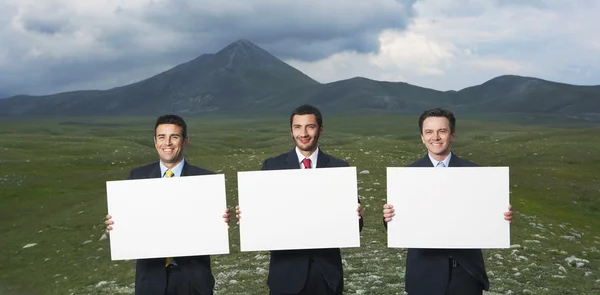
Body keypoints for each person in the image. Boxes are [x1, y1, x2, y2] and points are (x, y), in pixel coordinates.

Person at [382, 108, 513, 295]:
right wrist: (389, 218)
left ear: (452, 135)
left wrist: (502, 216)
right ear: (422, 137)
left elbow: (489, 217)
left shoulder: (476, 173)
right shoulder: (406, 176)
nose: (435, 137)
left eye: (442, 131)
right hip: (424, 273)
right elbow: (398, 227)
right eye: (429, 132)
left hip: (466, 273)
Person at [236, 104, 363, 295]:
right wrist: (248, 217)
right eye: (297, 127)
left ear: (320, 129)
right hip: (286, 274)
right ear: (291, 131)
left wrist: (356, 217)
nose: (303, 133)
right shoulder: (272, 167)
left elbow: (355, 225)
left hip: (326, 275)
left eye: (310, 127)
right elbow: (262, 217)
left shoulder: (339, 168)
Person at [105, 114, 230, 295]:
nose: (167, 143)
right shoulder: (136, 177)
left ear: (185, 141)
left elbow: (215, 229)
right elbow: (126, 225)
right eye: (162, 137)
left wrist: (221, 221)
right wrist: (113, 228)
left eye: (174, 137)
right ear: (155, 141)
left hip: (193, 280)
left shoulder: (207, 180)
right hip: (150, 279)